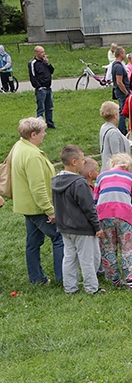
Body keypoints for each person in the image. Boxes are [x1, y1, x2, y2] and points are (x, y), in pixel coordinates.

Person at [10, 117, 62, 284]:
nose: (45, 135)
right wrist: (50, 210)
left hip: (26, 205)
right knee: (58, 237)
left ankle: (37, 278)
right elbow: (38, 188)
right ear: (33, 134)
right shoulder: (32, 156)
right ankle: (63, 278)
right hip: (37, 207)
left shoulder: (20, 146)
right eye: (42, 132)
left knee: (33, 242)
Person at [51, 146, 104, 294]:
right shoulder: (79, 183)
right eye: (82, 159)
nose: (83, 161)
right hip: (82, 227)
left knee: (69, 257)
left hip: (64, 226)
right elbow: (89, 207)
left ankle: (70, 287)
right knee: (87, 259)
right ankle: (92, 288)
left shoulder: (56, 180)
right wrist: (97, 226)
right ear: (74, 162)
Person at [94, 152, 132, 289]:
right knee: (127, 248)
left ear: (112, 164)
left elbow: (95, 199)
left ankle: (114, 279)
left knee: (108, 247)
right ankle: (130, 281)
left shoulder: (101, 176)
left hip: (103, 215)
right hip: (124, 215)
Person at [28, 46, 56, 129]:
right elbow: (32, 76)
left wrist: (48, 63)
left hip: (48, 87)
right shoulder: (33, 63)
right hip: (41, 89)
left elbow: (52, 71)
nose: (44, 54)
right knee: (41, 108)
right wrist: (38, 86)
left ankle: (50, 123)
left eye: (44, 51)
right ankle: (39, 126)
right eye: (41, 52)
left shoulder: (44, 61)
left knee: (49, 107)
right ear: (36, 53)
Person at [99, 101, 130, 172]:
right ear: (115, 115)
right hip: (114, 171)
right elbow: (116, 155)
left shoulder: (104, 127)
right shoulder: (113, 133)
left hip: (106, 167)